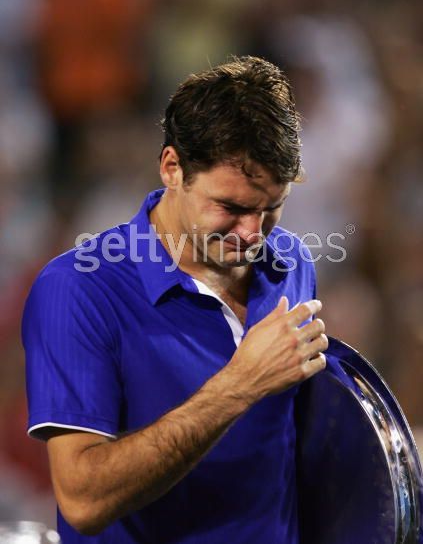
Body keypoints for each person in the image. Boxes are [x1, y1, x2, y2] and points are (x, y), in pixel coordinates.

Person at [22, 56, 328, 544]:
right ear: (172, 168)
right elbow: (83, 501)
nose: (253, 234)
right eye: (231, 207)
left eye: (271, 208)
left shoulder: (290, 260)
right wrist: (238, 386)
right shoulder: (77, 290)